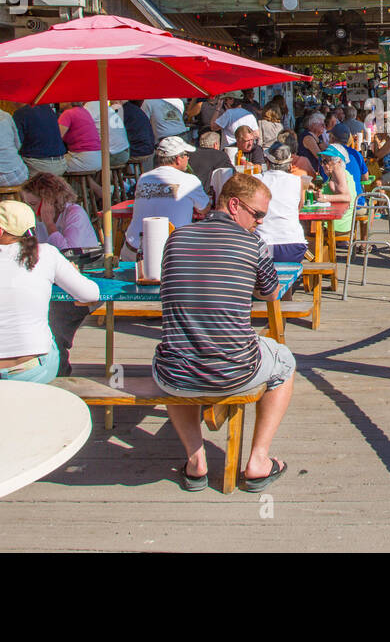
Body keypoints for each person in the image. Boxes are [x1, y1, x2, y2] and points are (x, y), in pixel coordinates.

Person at [152, 172, 294, 492]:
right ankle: (258, 460)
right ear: (234, 205)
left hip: (176, 372)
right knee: (284, 360)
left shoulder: (176, 238)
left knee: (175, 354)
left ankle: (195, 459)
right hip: (235, 370)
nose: (259, 223)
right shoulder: (253, 243)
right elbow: (271, 294)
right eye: (257, 215)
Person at [0, 200, 100, 383]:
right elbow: (91, 294)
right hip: (32, 371)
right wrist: (71, 272)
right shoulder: (47, 254)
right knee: (52, 332)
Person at [121, 136, 212, 260]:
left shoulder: (144, 178)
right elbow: (204, 209)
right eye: (186, 155)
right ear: (178, 159)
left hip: (133, 249)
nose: (188, 158)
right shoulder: (190, 180)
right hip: (170, 255)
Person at [255, 143, 309, 262]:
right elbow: (299, 208)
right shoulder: (297, 181)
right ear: (289, 164)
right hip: (294, 245)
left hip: (265, 244)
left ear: (267, 162)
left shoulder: (257, 180)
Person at [21, 172, 99, 251]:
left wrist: (49, 224)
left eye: (33, 204)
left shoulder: (75, 213)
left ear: (50, 201)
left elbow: (68, 252)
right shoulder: (35, 218)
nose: (29, 209)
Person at [13, 103, 67, 175]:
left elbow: (16, 143)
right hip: (61, 163)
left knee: (10, 170)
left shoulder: (21, 113)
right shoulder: (49, 109)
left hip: (38, 165)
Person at [317, 144, 356, 238]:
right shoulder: (335, 174)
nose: (323, 165)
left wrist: (325, 198)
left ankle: (317, 253)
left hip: (337, 224)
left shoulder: (338, 172)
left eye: (326, 161)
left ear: (338, 161)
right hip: (339, 222)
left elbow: (347, 197)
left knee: (305, 231)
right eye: (322, 161)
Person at [57, 101, 102, 173]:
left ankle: (63, 184)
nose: (59, 102)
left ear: (69, 102)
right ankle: (93, 185)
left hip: (83, 158)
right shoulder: (85, 111)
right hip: (99, 158)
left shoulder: (68, 113)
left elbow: (57, 138)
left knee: (53, 165)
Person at [84, 100, 131, 168]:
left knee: (85, 161)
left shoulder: (90, 105)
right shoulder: (101, 104)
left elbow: (82, 128)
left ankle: (96, 178)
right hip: (124, 151)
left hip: (114, 154)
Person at [121, 99, 156, 169]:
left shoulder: (123, 111)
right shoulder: (133, 109)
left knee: (111, 154)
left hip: (139, 149)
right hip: (147, 148)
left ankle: (122, 178)